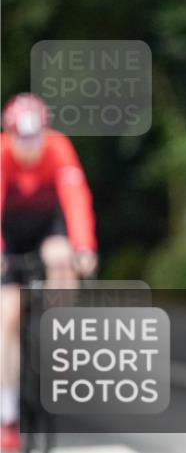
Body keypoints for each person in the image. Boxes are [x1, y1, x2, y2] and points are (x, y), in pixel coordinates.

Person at [0, 93, 97, 452]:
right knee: (6, 319)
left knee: (61, 257)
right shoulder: (2, 155)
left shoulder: (58, 148)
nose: (30, 148)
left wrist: (84, 247)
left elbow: (75, 198)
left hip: (46, 228)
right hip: (8, 237)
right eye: (22, 140)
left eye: (35, 138)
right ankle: (8, 417)